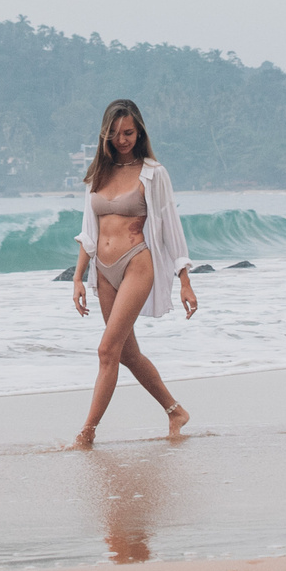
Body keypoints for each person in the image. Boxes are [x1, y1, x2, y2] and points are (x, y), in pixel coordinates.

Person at [69, 98, 196, 447]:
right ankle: (175, 411)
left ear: (139, 131)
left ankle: (87, 433)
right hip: (103, 270)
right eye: (115, 133)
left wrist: (184, 279)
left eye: (128, 132)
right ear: (105, 135)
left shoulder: (153, 173)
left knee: (107, 350)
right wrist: (79, 278)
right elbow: (87, 232)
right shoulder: (98, 175)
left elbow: (172, 227)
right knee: (126, 353)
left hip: (137, 264)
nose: (122, 139)